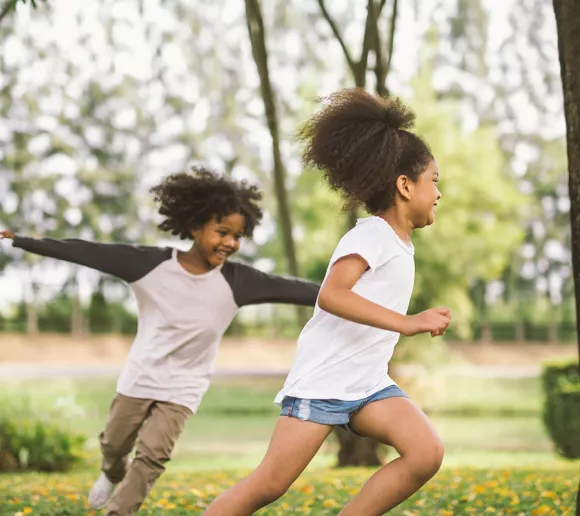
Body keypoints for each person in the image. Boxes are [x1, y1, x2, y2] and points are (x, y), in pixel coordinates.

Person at [0, 166, 319, 516]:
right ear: (195, 227)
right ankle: (111, 470)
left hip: (185, 385)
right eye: (222, 232)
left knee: (153, 454)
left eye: (237, 236)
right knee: (114, 442)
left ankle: (118, 512)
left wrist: (351, 292)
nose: (230, 243)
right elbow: (89, 252)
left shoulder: (239, 281)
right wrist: (22, 240)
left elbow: (297, 289)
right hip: (141, 375)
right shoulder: (149, 265)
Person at [203, 88, 452, 516]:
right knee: (269, 484)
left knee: (425, 452)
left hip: (368, 386)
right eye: (435, 182)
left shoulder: (398, 243)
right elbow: (332, 295)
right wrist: (407, 322)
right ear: (405, 185)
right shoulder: (371, 235)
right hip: (324, 385)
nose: (439, 193)